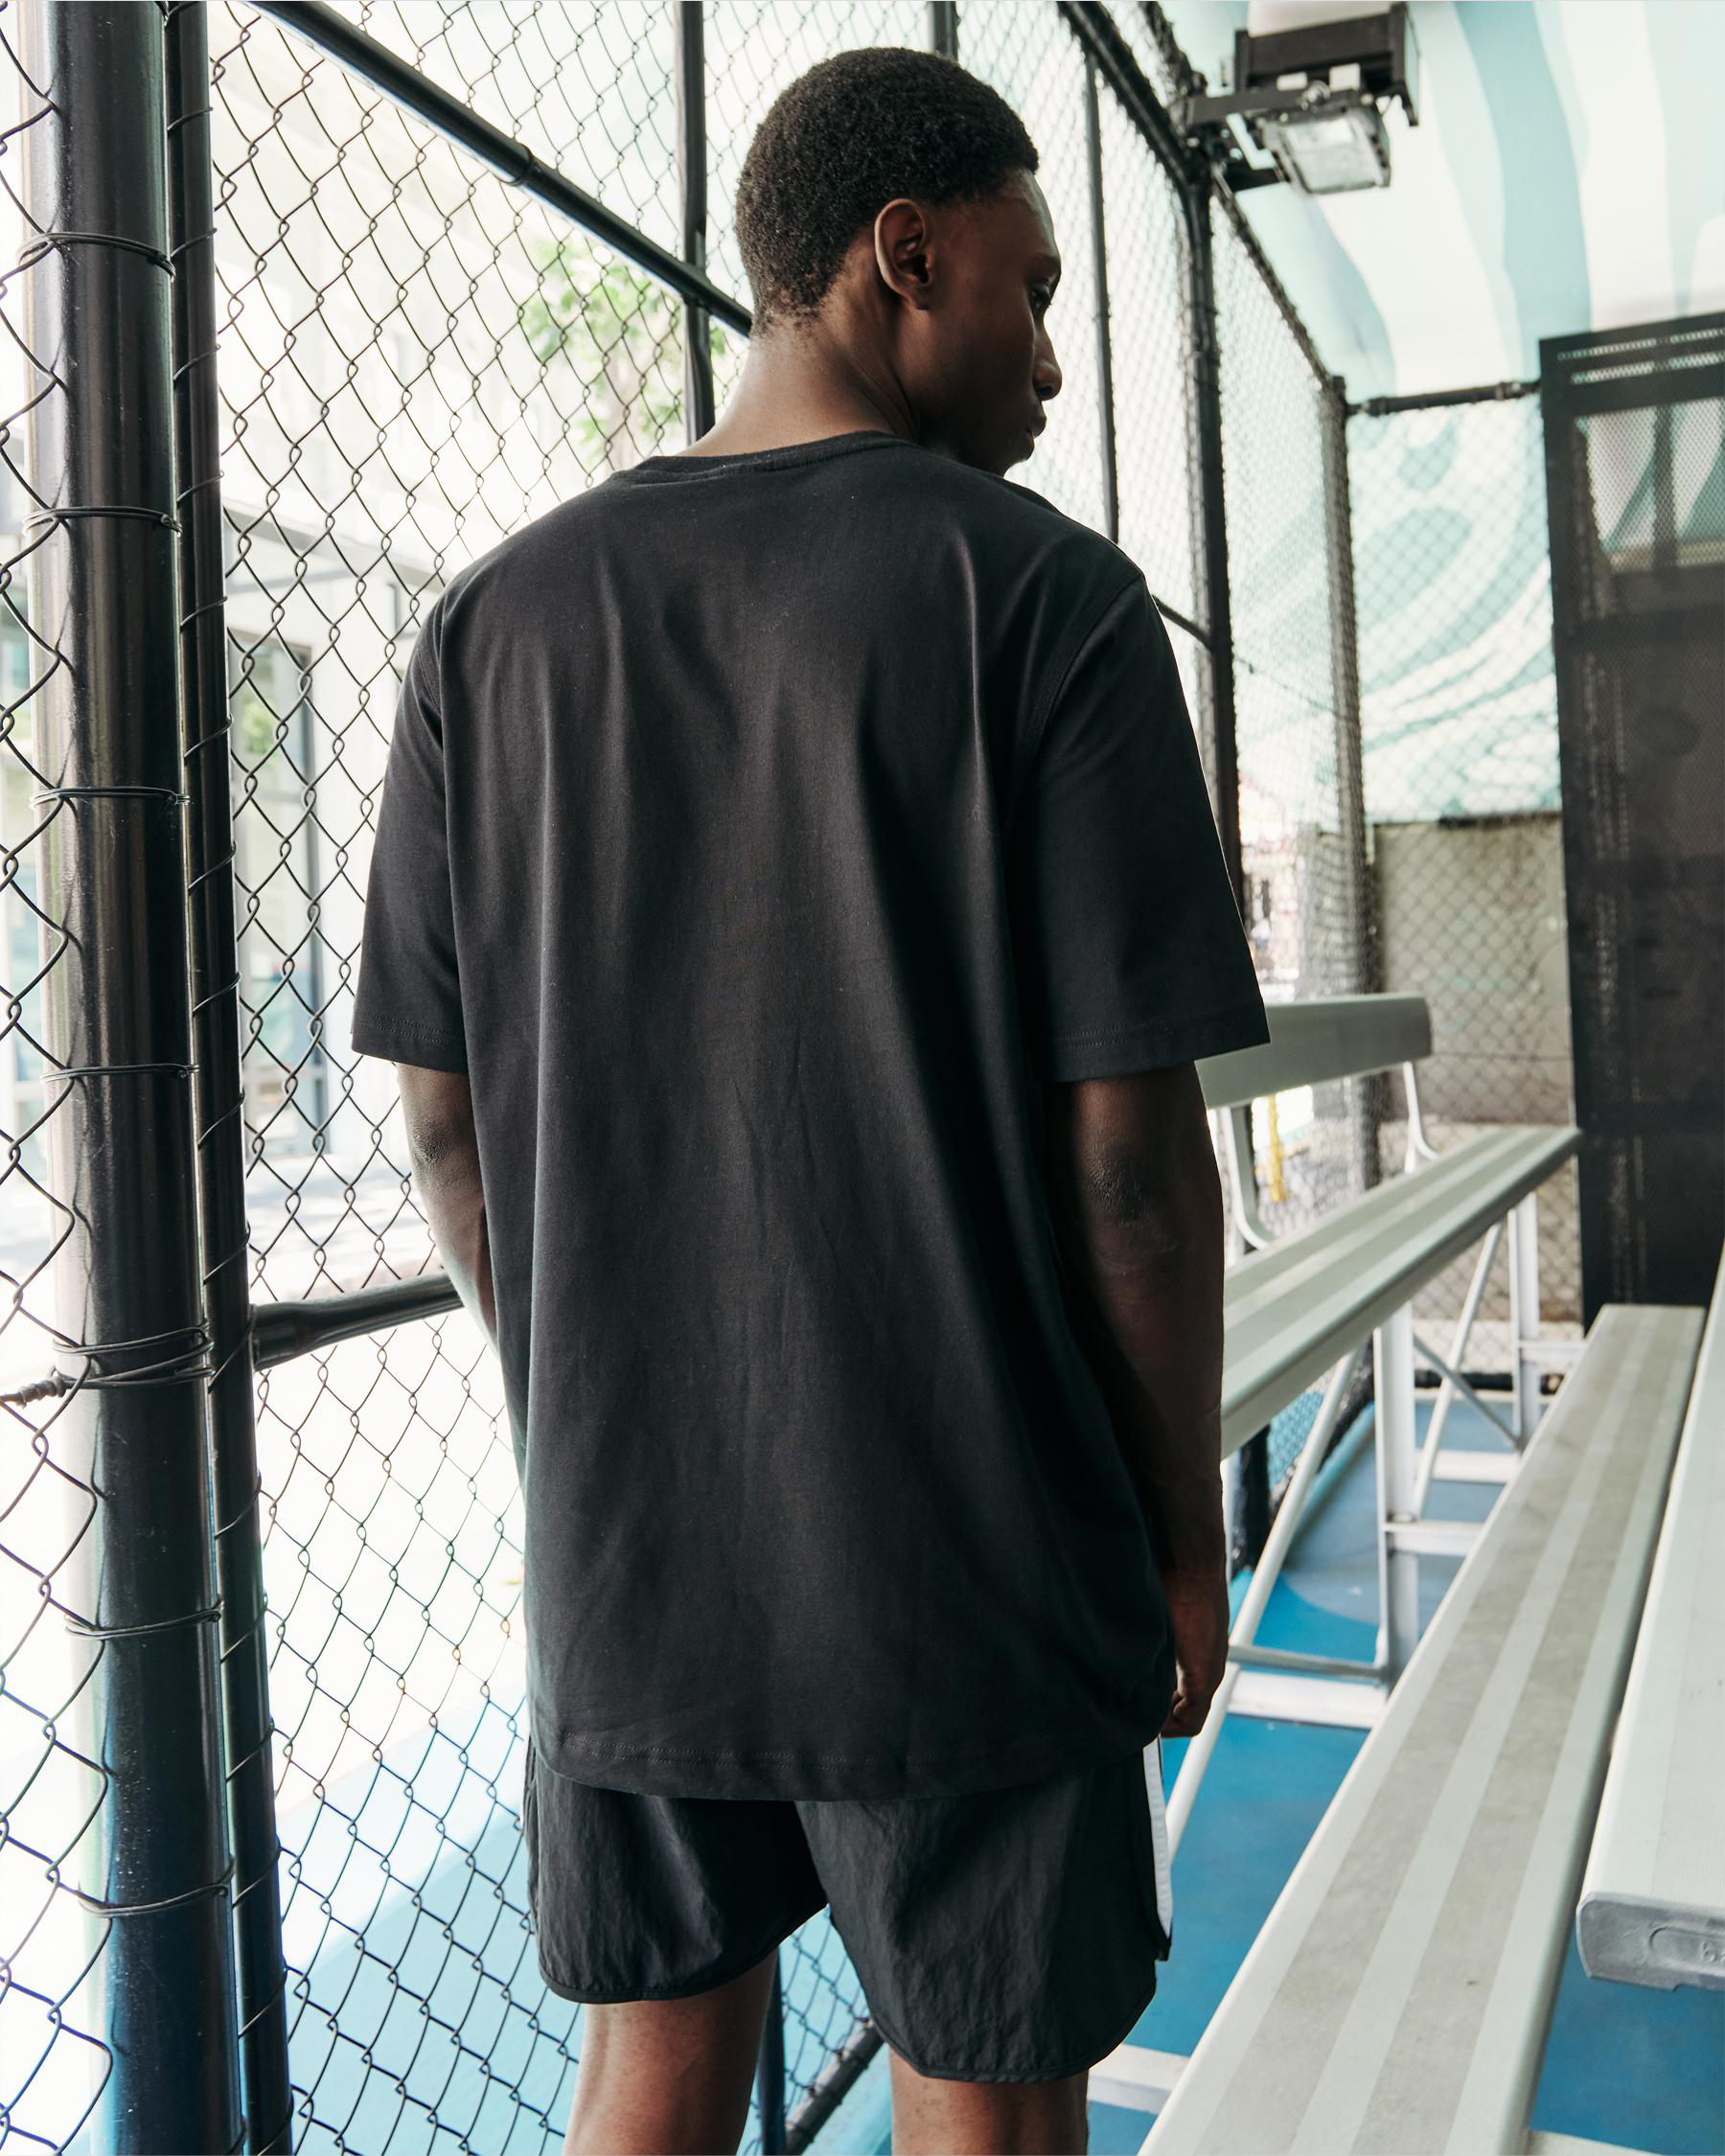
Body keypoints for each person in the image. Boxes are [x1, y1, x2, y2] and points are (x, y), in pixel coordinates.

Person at [352, 44, 1269, 2156]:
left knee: (652, 2070)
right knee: (988, 2094)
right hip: (975, 1541)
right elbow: (1133, 1173)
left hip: (631, 1545)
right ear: (904, 255)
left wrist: (590, 1392)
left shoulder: (487, 628)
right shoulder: (1046, 600)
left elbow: (443, 1127)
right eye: (1034, 291)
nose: (1053, 361)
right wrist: (1178, 1535)